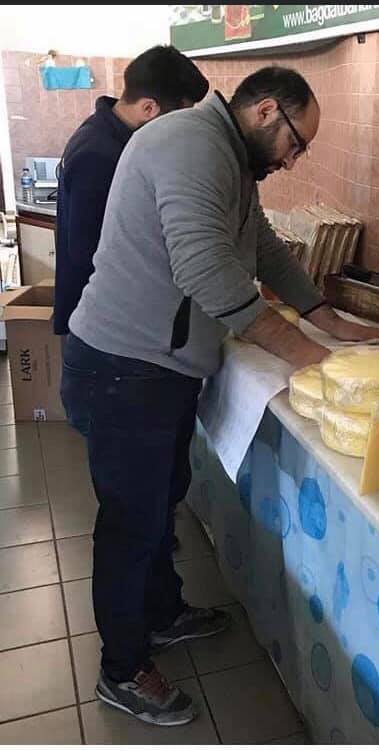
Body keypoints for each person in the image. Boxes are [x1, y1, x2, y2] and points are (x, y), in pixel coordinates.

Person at [60, 65, 379, 727]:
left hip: (157, 369)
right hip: (123, 368)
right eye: (296, 143)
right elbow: (205, 267)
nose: (293, 161)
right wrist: (309, 356)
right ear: (266, 110)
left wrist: (324, 316)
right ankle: (122, 670)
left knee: (160, 502)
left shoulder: (227, 158)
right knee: (131, 524)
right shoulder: (191, 143)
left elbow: (262, 248)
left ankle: (162, 612)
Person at [54, 45, 208, 556]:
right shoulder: (101, 154)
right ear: (149, 109)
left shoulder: (114, 139)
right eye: (180, 119)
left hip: (118, 341)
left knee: (146, 494)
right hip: (110, 343)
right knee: (129, 502)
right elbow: (94, 253)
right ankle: (138, 592)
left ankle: (155, 575)